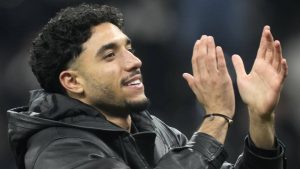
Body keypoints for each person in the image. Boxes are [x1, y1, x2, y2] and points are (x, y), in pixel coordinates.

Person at [7, 3, 288, 169]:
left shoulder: (150, 128)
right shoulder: (56, 151)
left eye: (129, 48)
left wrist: (261, 121)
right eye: (109, 55)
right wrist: (216, 118)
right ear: (72, 81)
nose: (134, 61)